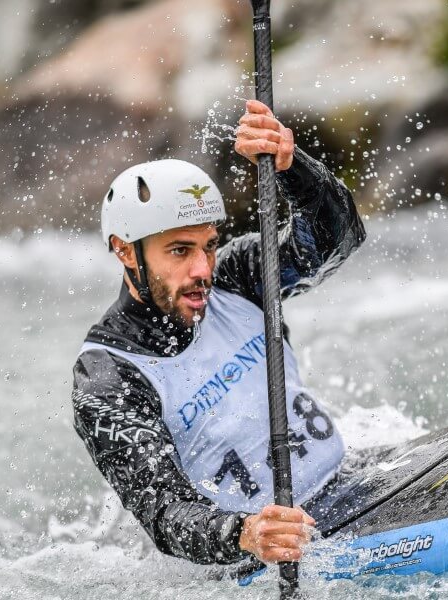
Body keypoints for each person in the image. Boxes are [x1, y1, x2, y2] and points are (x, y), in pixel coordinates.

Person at [71, 99, 366, 568]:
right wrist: (246, 534)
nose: (202, 269)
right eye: (180, 251)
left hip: (355, 486)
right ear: (126, 252)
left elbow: (338, 239)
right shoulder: (107, 377)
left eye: (209, 245)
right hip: (267, 551)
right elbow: (165, 511)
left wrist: (292, 168)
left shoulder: (238, 277)